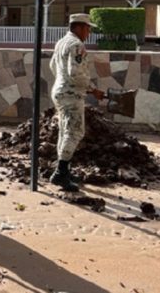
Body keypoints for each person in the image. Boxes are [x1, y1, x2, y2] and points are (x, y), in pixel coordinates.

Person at [48, 13, 105, 192]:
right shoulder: (77, 45)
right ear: (79, 27)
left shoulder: (61, 42)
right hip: (71, 94)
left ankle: (63, 171)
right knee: (75, 132)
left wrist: (62, 81)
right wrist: (93, 89)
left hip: (59, 91)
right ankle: (60, 173)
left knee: (64, 132)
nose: (89, 32)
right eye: (88, 28)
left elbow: (52, 66)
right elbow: (76, 73)